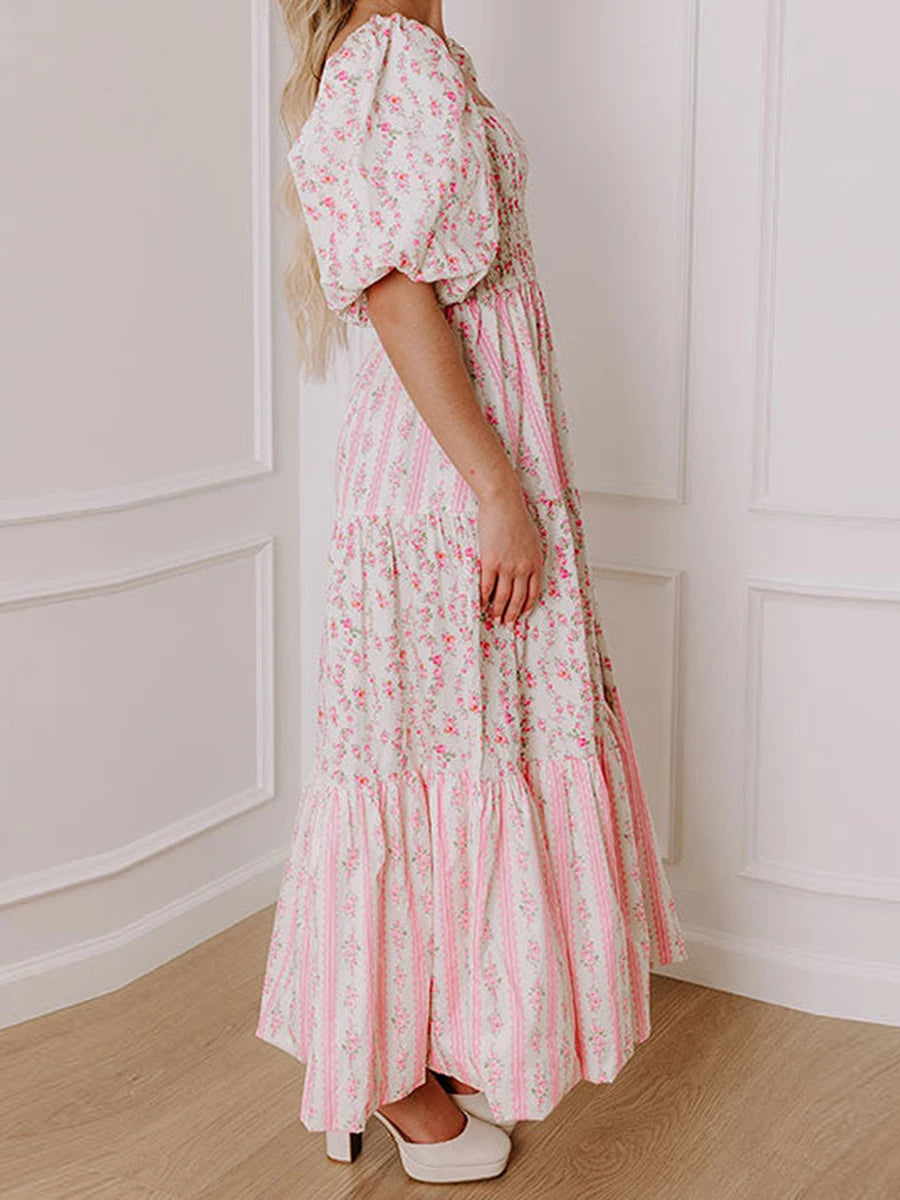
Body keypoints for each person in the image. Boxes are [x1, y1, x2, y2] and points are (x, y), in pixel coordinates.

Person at [256, 0, 689, 1184]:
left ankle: (411, 1042)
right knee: (424, 755)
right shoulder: (392, 54)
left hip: (465, 461)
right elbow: (400, 294)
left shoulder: (417, 50)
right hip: (452, 478)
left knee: (452, 748)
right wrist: (497, 487)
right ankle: (387, 1077)